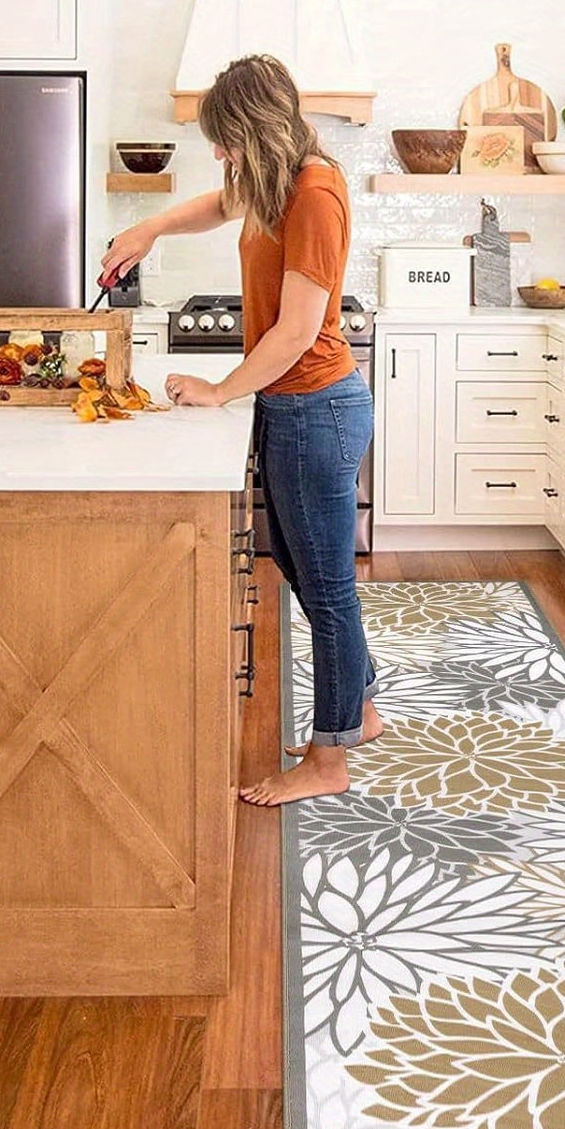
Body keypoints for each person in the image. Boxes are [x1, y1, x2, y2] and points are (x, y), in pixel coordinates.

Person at [98, 54, 381, 806]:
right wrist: (149, 228)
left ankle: (329, 760)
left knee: (326, 589)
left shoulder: (315, 193)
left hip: (316, 406)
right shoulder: (276, 179)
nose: (219, 155)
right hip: (293, 407)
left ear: (253, 131)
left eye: (224, 139)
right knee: (293, 559)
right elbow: (218, 204)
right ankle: (362, 705)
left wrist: (220, 389)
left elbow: (293, 332)